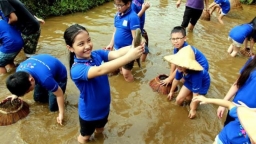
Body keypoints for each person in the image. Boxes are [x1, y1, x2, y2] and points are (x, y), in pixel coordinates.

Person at [64, 24, 144, 143]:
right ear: (70, 48)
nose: (87, 46)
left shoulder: (96, 55)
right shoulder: (76, 69)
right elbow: (101, 70)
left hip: (104, 107)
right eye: (81, 44)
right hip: (89, 114)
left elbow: (116, 53)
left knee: (100, 130)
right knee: (84, 137)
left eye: (89, 40)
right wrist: (129, 57)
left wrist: (134, 47)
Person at [6, 54, 67, 125]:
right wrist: (16, 94)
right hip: (41, 67)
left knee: (53, 108)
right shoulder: (19, 72)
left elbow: (59, 94)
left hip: (58, 74)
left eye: (28, 91)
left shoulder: (45, 79)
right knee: (38, 99)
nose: (28, 92)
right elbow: (18, 85)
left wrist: (61, 113)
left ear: (31, 80)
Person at [164, 46, 211, 119]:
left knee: (190, 100)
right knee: (178, 100)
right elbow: (176, 80)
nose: (178, 66)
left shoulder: (196, 74)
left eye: (181, 64)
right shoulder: (180, 68)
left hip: (201, 84)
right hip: (189, 81)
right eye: (177, 63)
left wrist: (193, 110)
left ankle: (192, 106)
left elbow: (196, 95)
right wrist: (171, 92)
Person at [106, 0, 140, 82]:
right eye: (116, 4)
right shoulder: (117, 15)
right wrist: (111, 44)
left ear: (128, 3)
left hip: (127, 50)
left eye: (120, 5)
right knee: (121, 69)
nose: (117, 7)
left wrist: (133, 52)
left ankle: (132, 88)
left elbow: (135, 37)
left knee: (126, 74)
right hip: (117, 49)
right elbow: (115, 31)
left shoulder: (133, 17)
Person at [217, 55, 256, 126]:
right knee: (228, 131)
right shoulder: (253, 60)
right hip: (235, 108)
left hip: (252, 116)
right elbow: (238, 83)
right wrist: (223, 103)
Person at [0, 11, 23, 75]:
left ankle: (3, 81)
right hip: (19, 43)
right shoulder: (2, 21)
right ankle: (14, 73)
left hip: (11, 44)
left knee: (0, 64)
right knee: (8, 60)